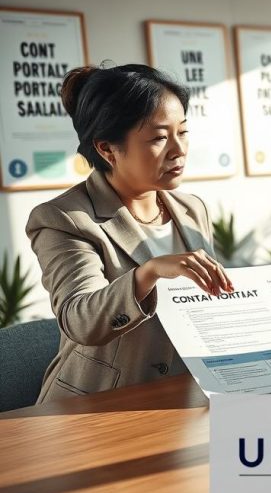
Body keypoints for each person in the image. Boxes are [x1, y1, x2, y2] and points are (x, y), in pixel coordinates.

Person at [26, 64, 233, 403]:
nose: (178, 149)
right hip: (97, 405)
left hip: (180, 397)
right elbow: (80, 320)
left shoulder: (193, 210)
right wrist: (148, 273)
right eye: (159, 138)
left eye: (182, 131)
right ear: (107, 149)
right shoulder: (64, 218)